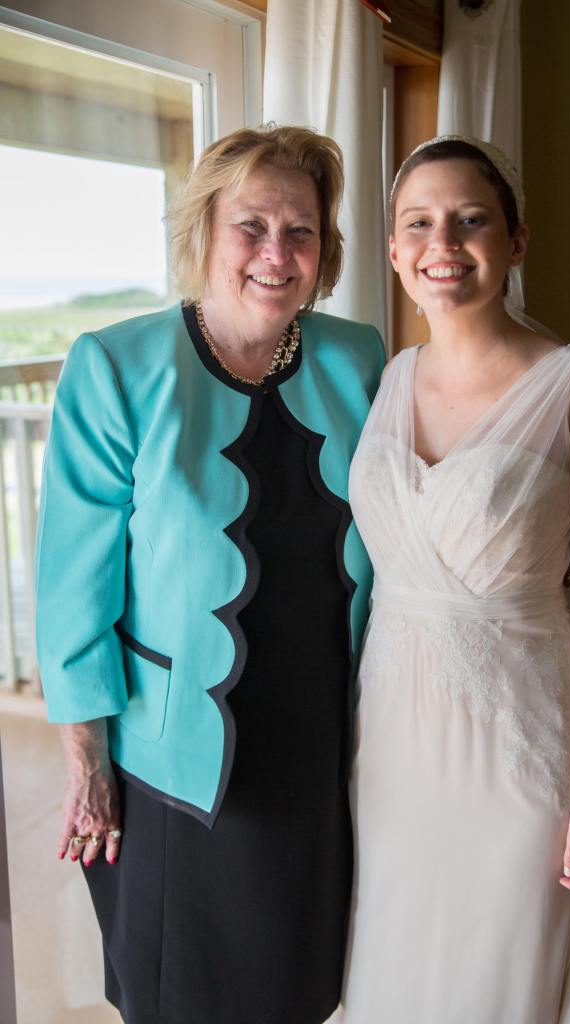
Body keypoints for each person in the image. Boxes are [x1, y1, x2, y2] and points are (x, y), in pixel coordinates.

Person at [35, 124, 385, 1024]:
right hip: (176, 753)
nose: (277, 252)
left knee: (298, 983)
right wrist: (86, 762)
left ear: (326, 248)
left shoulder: (358, 358)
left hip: (318, 743)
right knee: (183, 993)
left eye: (301, 231)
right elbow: (74, 589)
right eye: (251, 226)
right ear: (204, 231)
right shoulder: (117, 366)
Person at [341, 137, 570, 1022]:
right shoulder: (390, 377)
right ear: (393, 250)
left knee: (509, 974)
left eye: (469, 220)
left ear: (514, 242)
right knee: (399, 960)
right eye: (418, 224)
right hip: (390, 735)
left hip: (522, 739)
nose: (442, 243)